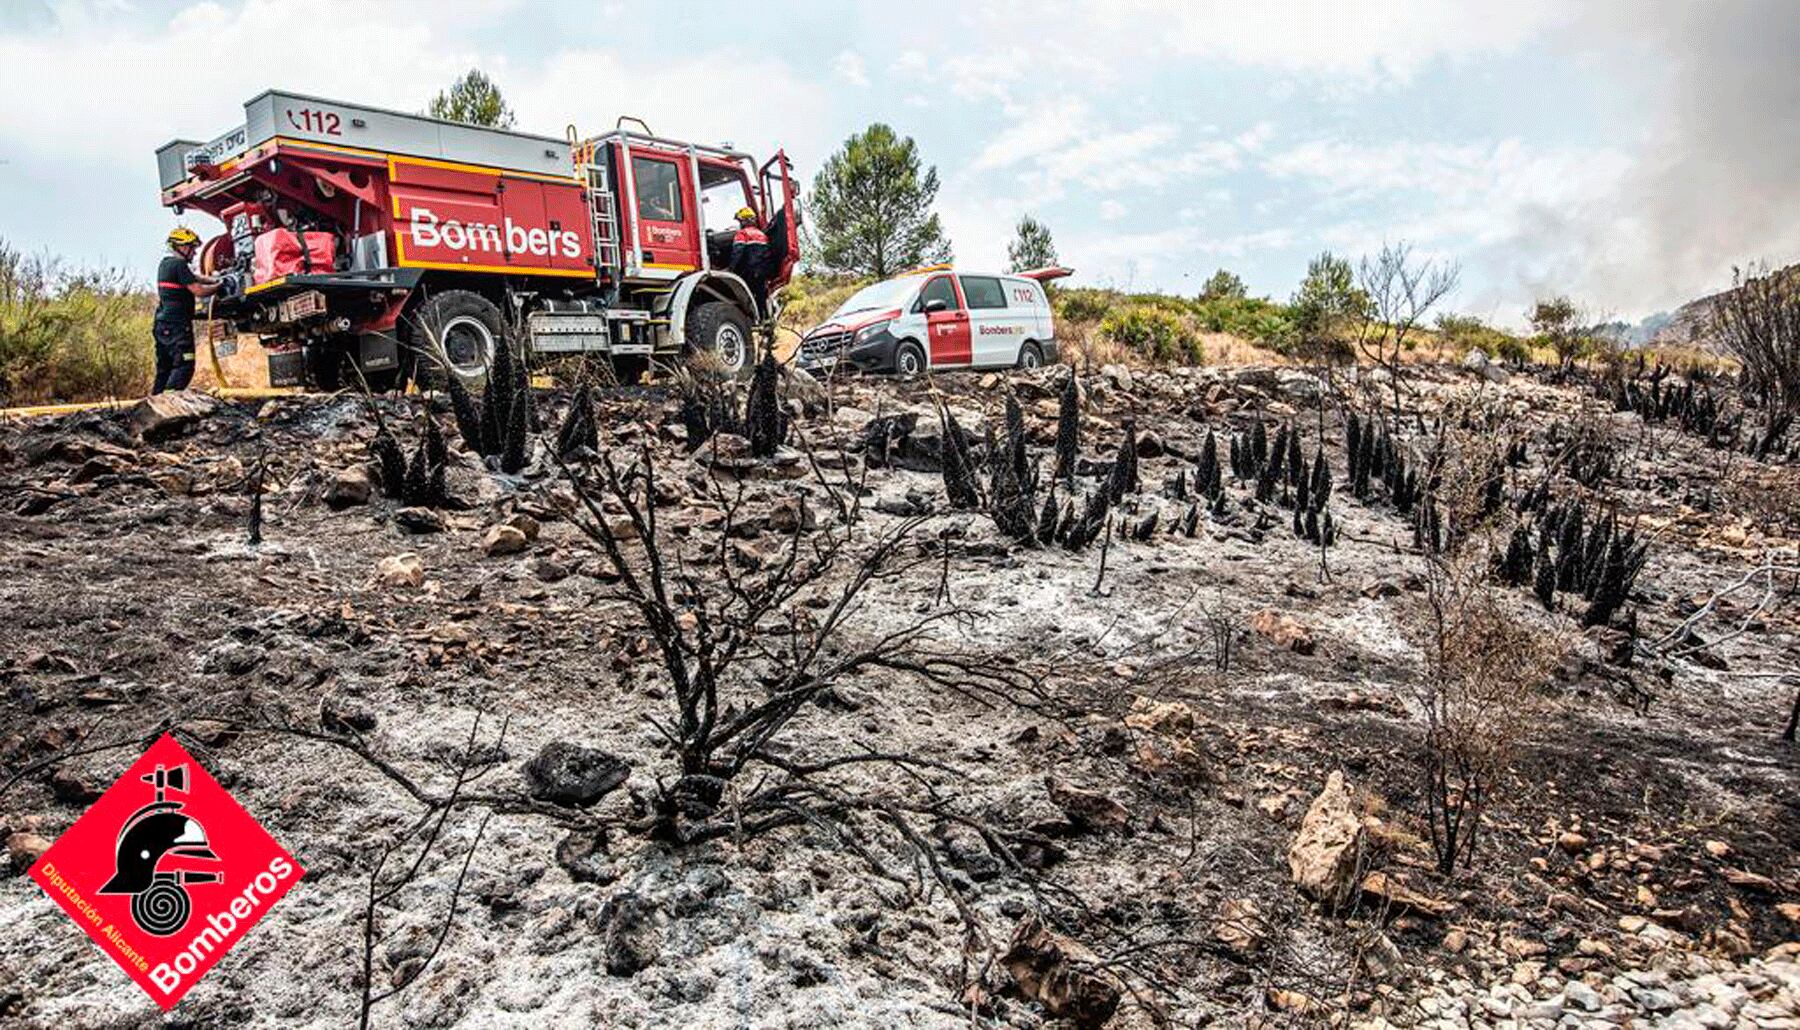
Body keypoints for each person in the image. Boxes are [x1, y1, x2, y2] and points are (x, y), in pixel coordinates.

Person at [153, 227, 221, 394]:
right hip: (178, 326)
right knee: (184, 366)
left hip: (162, 325)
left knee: (165, 368)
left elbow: (195, 278)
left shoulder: (166, 264)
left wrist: (215, 279)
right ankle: (170, 401)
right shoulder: (180, 264)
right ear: (182, 247)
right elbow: (199, 290)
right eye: (192, 248)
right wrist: (219, 287)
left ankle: (155, 401)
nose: (195, 253)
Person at [726, 206, 770, 310]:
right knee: (761, 297)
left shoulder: (742, 233)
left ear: (744, 221)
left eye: (740, 221)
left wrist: (730, 269)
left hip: (749, 272)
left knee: (747, 296)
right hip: (762, 272)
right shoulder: (762, 235)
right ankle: (764, 316)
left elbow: (737, 253)